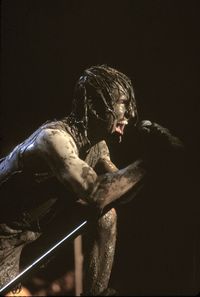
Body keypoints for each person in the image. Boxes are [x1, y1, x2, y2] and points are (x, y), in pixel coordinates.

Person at [0, 65, 183, 296]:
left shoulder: (97, 147)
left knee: (107, 213)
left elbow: (119, 194)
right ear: (95, 106)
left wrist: (158, 162)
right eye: (123, 103)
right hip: (4, 237)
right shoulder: (54, 139)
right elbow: (96, 193)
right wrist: (149, 161)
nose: (130, 114)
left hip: (28, 238)